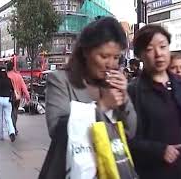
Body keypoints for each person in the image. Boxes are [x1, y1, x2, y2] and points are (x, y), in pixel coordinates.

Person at [39, 16, 137, 178]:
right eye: (104, 56)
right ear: (85, 51)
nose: (110, 64)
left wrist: (124, 97)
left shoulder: (112, 84)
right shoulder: (60, 80)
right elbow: (57, 130)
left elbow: (130, 132)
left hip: (111, 170)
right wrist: (103, 106)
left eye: (116, 57)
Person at [128, 24, 181, 179]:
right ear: (140, 55)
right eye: (150, 49)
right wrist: (158, 150)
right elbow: (127, 139)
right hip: (155, 172)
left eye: (163, 46)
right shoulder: (133, 91)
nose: (159, 54)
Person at [0, 66, 16, 142]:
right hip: (8, 99)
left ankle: (0, 135)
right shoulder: (9, 80)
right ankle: (11, 131)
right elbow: (12, 89)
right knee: (8, 117)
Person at [6, 61, 30, 135]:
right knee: (15, 112)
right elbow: (23, 87)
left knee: (9, 113)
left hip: (8, 97)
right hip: (17, 97)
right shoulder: (18, 76)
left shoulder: (6, 76)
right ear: (13, 67)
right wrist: (27, 96)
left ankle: (12, 128)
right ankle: (14, 127)